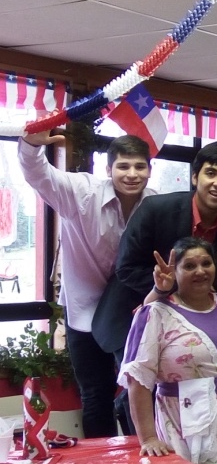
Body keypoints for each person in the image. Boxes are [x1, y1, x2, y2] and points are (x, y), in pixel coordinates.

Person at [93, 142, 217, 431]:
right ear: (195, 177)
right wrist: (173, 288)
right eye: (211, 173)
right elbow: (126, 267)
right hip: (134, 315)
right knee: (144, 390)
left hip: (196, 325)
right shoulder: (156, 209)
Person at [17, 132, 154, 438]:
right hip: (84, 314)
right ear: (109, 169)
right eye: (123, 166)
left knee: (142, 391)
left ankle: (143, 455)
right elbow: (38, 173)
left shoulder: (156, 204)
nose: (132, 174)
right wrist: (33, 144)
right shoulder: (81, 192)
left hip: (131, 316)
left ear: (149, 169)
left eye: (139, 167)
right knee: (95, 395)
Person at [119, 237, 217, 463]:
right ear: (174, 272)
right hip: (184, 422)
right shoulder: (154, 313)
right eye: (189, 266)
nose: (200, 271)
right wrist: (148, 438)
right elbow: (138, 379)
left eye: (206, 264)